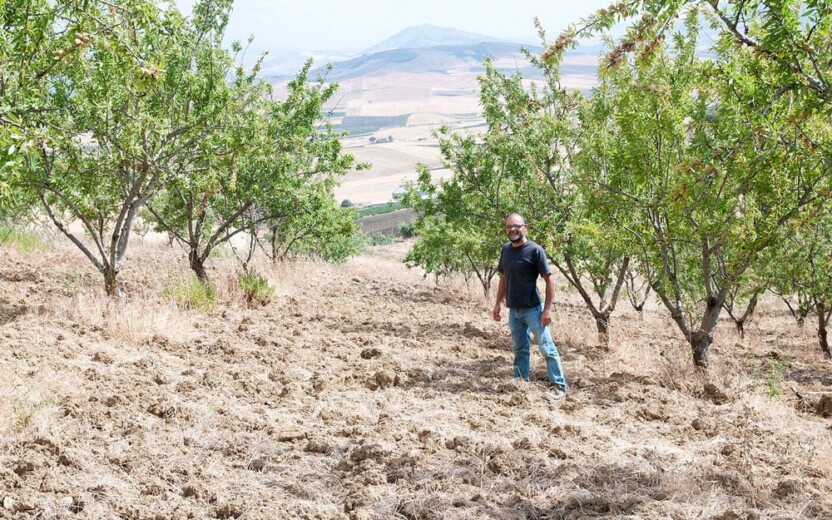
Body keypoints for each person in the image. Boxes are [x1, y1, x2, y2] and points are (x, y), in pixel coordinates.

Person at [492, 213, 568, 400]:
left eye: (516, 226)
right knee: (519, 349)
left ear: (525, 227)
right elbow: (503, 278)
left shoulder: (535, 250)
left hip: (533, 310)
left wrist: (547, 309)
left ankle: (559, 387)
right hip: (514, 311)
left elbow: (549, 280)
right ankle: (520, 383)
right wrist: (498, 303)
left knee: (546, 348)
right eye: (509, 226)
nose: (512, 229)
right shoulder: (506, 250)